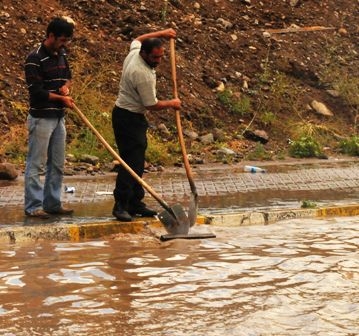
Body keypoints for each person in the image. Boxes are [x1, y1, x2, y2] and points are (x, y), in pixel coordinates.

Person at [112, 28, 181, 222]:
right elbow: (151, 104)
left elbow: (136, 38)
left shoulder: (135, 51)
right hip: (128, 118)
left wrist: (163, 33)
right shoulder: (141, 73)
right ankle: (120, 205)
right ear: (144, 54)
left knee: (138, 161)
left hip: (132, 117)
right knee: (130, 163)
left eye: (161, 57)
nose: (158, 61)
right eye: (155, 58)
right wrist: (172, 103)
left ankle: (135, 203)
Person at [24, 17, 75, 219]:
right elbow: (36, 91)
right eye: (62, 40)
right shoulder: (34, 58)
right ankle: (33, 206)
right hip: (41, 117)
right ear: (51, 36)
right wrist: (60, 98)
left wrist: (66, 87)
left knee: (57, 163)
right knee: (36, 164)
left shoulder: (61, 53)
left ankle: (53, 203)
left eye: (67, 40)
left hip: (58, 117)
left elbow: (68, 76)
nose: (64, 44)